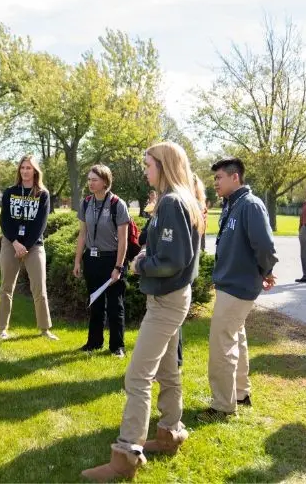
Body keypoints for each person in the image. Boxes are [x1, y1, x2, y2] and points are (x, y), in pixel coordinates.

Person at [81, 142, 205, 482]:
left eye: (148, 164)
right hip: (175, 296)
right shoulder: (184, 200)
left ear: (163, 166)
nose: (144, 170)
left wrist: (139, 264)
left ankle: (125, 456)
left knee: (137, 377)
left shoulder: (171, 202)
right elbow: (178, 252)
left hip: (167, 300)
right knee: (168, 370)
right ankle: (169, 433)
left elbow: (171, 261)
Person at [199, 157, 278, 422]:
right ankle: (241, 394)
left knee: (221, 345)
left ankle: (222, 405)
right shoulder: (232, 205)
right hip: (229, 284)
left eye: (219, 178)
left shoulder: (250, 205)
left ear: (235, 178)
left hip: (238, 287)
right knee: (237, 340)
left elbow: (265, 246)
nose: (215, 183)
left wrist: (266, 270)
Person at [0, 155, 58, 341]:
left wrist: (26, 246)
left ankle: (45, 328)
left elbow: (41, 223)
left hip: (34, 245)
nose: (25, 171)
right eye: (22, 167)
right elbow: (4, 220)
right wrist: (15, 242)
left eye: (28, 168)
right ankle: (1, 328)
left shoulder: (43, 194)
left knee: (39, 288)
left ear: (35, 171)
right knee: (6, 287)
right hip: (10, 243)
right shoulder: (10, 191)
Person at [73, 164, 130, 358]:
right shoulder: (86, 203)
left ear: (105, 182)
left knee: (115, 304)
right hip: (92, 259)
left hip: (111, 260)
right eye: (89, 179)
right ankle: (94, 343)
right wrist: (78, 261)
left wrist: (118, 267)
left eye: (94, 179)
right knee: (95, 302)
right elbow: (82, 234)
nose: (90, 183)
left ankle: (117, 347)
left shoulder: (117, 204)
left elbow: (123, 239)